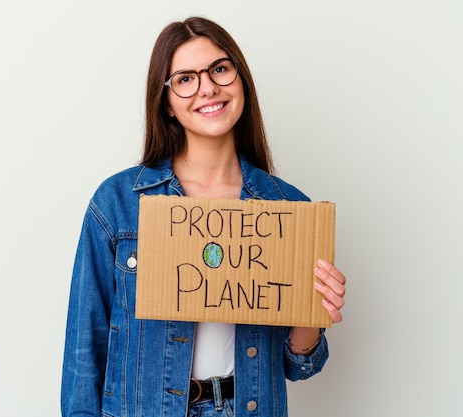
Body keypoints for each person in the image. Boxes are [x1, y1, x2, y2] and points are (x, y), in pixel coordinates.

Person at [61, 16, 346, 417]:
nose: (208, 87)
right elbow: (83, 350)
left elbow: (300, 366)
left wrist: (312, 314)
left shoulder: (293, 211)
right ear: (168, 103)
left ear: (240, 78)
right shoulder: (117, 204)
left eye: (219, 69)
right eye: (185, 79)